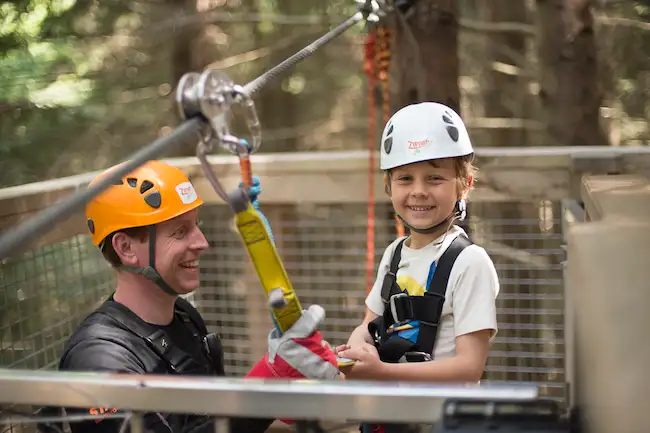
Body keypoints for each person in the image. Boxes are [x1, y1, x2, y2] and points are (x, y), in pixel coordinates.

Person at [52, 160, 339, 433]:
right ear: (126, 247)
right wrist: (268, 388)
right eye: (180, 232)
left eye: (196, 225)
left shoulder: (184, 318)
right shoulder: (100, 360)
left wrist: (283, 380)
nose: (202, 242)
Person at [338, 101, 499, 385]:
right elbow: (370, 326)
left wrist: (382, 372)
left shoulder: (469, 263)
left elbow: (469, 367)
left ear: (465, 184)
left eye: (435, 178)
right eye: (405, 179)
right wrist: (357, 348)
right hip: (392, 417)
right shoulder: (394, 254)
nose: (419, 191)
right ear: (389, 186)